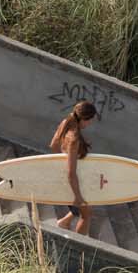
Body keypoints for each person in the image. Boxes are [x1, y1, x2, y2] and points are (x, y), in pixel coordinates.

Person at [50, 100, 98, 233]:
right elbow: (71, 173)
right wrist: (77, 196)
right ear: (84, 119)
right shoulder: (74, 139)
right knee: (86, 215)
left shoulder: (66, 122)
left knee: (88, 203)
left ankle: (64, 223)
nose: (90, 124)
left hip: (69, 175)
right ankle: (79, 245)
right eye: (90, 121)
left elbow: (53, 145)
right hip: (71, 180)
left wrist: (63, 156)